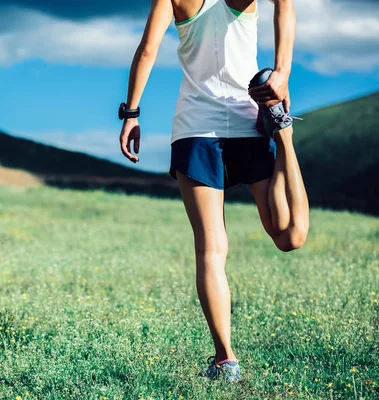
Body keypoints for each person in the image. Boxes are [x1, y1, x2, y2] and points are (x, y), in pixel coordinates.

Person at [117, 0, 309, 383]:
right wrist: (282, 73)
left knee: (213, 248)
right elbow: (284, 4)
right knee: (287, 237)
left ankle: (225, 360)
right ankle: (226, 360)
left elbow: (147, 50)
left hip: (198, 128)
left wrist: (131, 114)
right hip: (248, 121)